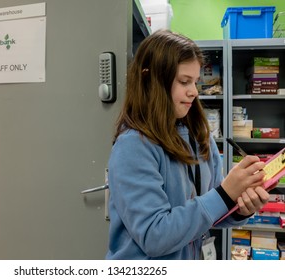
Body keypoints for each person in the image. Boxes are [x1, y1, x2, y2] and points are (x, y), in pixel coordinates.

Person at [105, 29, 270, 260]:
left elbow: (209, 211)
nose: (193, 92)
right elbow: (155, 236)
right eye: (184, 81)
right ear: (150, 79)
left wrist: (240, 207)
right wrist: (225, 195)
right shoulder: (133, 147)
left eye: (195, 81)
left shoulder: (199, 136)